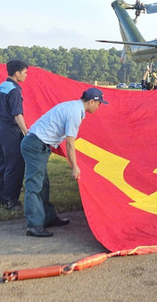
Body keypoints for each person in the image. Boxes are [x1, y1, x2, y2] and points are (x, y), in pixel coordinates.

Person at [20, 87, 107, 237]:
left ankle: (47, 217)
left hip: (37, 144)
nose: (99, 107)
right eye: (99, 104)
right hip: (35, 145)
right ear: (92, 101)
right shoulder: (75, 113)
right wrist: (74, 167)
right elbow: (70, 143)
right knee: (34, 185)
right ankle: (34, 225)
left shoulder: (73, 107)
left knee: (43, 184)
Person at [0, 60, 28, 211]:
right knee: (15, 167)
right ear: (17, 73)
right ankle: (10, 201)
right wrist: (26, 132)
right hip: (10, 131)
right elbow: (17, 114)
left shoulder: (0, 87)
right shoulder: (14, 90)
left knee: (3, 166)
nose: (26, 76)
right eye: (25, 73)